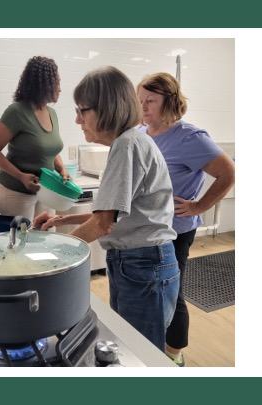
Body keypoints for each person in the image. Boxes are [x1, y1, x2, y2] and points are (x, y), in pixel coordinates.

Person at [33, 66, 179, 352]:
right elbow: (112, 214)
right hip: (138, 263)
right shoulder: (129, 143)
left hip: (144, 264)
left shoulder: (127, 145)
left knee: (142, 351)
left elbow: (102, 224)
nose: (77, 120)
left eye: (81, 111)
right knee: (130, 343)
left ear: (106, 108)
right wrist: (62, 219)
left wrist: (55, 255)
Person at [137, 72, 235, 366]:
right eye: (140, 100)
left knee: (173, 293)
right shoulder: (142, 133)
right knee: (151, 290)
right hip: (146, 229)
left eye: (150, 101)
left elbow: (228, 173)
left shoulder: (190, 137)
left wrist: (198, 206)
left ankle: (174, 354)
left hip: (175, 231)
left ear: (170, 101)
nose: (143, 107)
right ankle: (149, 343)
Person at [0, 56, 69, 220]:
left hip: (46, 190)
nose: (60, 88)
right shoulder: (17, 112)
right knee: (22, 241)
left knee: (46, 239)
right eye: (57, 82)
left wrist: (62, 169)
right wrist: (21, 176)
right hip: (15, 190)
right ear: (44, 84)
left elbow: (49, 150)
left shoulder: (52, 114)